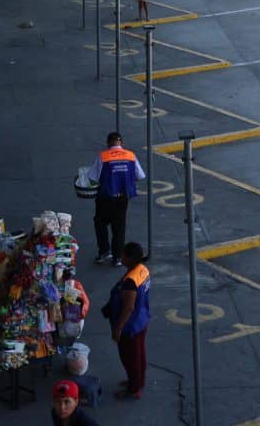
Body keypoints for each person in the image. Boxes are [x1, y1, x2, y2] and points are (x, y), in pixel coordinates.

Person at [89, 132, 145, 265]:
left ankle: (104, 251)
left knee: (100, 224)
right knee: (119, 227)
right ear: (121, 143)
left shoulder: (103, 156)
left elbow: (93, 179)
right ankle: (118, 257)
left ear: (108, 143)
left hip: (105, 197)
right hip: (122, 198)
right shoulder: (131, 155)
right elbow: (140, 175)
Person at [106, 242, 151, 400]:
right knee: (139, 355)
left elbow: (129, 307)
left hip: (130, 327)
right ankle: (138, 381)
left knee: (130, 358)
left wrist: (118, 329)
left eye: (123, 255)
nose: (121, 257)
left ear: (130, 258)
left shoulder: (130, 281)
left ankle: (133, 389)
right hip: (142, 320)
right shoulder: (142, 270)